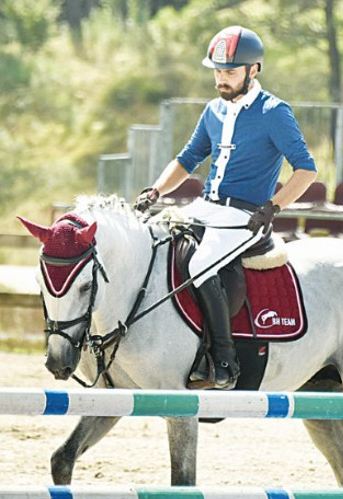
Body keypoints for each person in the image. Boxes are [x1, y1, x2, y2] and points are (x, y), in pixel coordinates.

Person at [135, 25, 317, 391]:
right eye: (218, 71)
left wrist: (273, 207)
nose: (222, 79)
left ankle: (222, 359)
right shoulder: (213, 110)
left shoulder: (274, 112)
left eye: (230, 72)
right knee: (157, 244)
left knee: (200, 264)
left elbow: (307, 170)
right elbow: (187, 160)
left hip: (245, 216)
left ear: (254, 70)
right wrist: (155, 191)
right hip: (206, 207)